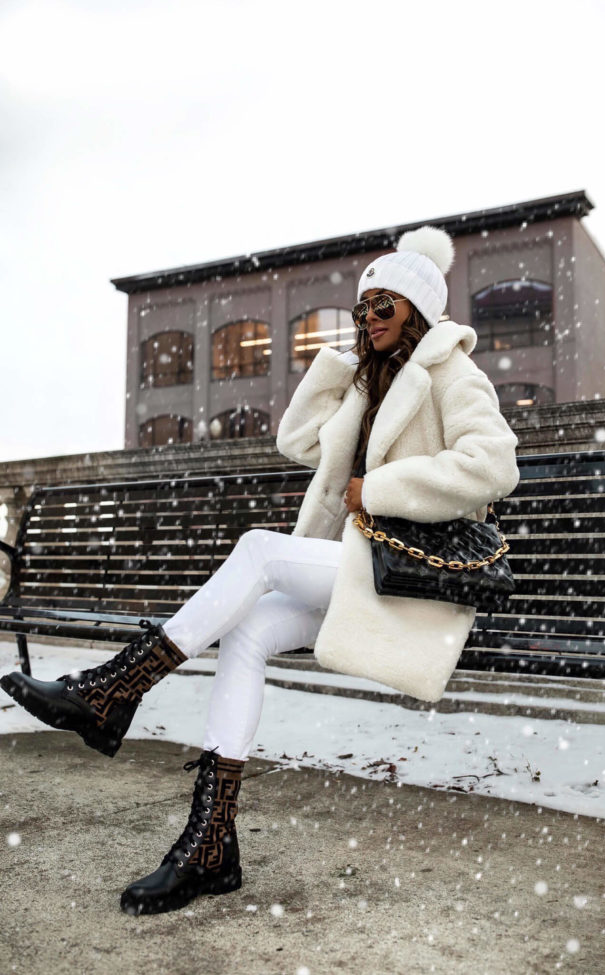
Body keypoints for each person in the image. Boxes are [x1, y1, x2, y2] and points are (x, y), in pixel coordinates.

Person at [0, 225, 520, 916]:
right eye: (362, 309)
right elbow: (296, 439)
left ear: (418, 308)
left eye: (383, 307)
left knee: (258, 548)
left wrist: (386, 489)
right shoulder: (369, 382)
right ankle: (210, 843)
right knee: (246, 634)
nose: (368, 319)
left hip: (416, 585)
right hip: (366, 577)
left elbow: (494, 464)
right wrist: (338, 364)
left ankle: (112, 689)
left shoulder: (453, 372)